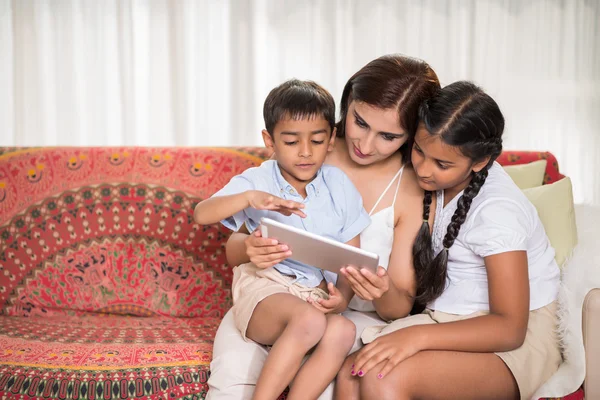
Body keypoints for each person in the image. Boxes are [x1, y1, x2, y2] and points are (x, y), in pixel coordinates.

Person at [206, 54, 441, 400]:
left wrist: (376, 288)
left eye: (388, 136)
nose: (365, 144)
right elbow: (234, 249)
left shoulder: (410, 187)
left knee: (335, 368)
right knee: (234, 386)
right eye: (359, 123)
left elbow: (397, 307)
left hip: (345, 319)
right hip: (272, 302)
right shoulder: (308, 149)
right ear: (347, 106)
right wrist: (250, 248)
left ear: (412, 136)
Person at [336, 81, 561, 400]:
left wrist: (417, 338)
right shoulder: (431, 177)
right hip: (451, 319)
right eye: (418, 151)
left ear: (480, 162)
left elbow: (510, 328)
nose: (423, 170)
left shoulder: (498, 212)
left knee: (384, 379)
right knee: (351, 374)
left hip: (518, 338)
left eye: (442, 164)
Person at [195, 79, 372, 400]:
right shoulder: (259, 179)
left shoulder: (339, 185)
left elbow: (350, 259)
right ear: (270, 140)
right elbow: (202, 214)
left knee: (342, 330)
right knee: (309, 321)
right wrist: (248, 198)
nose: (305, 152)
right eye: (291, 142)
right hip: (266, 289)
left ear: (332, 138)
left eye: (317, 141)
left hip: (312, 295)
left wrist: (343, 299)